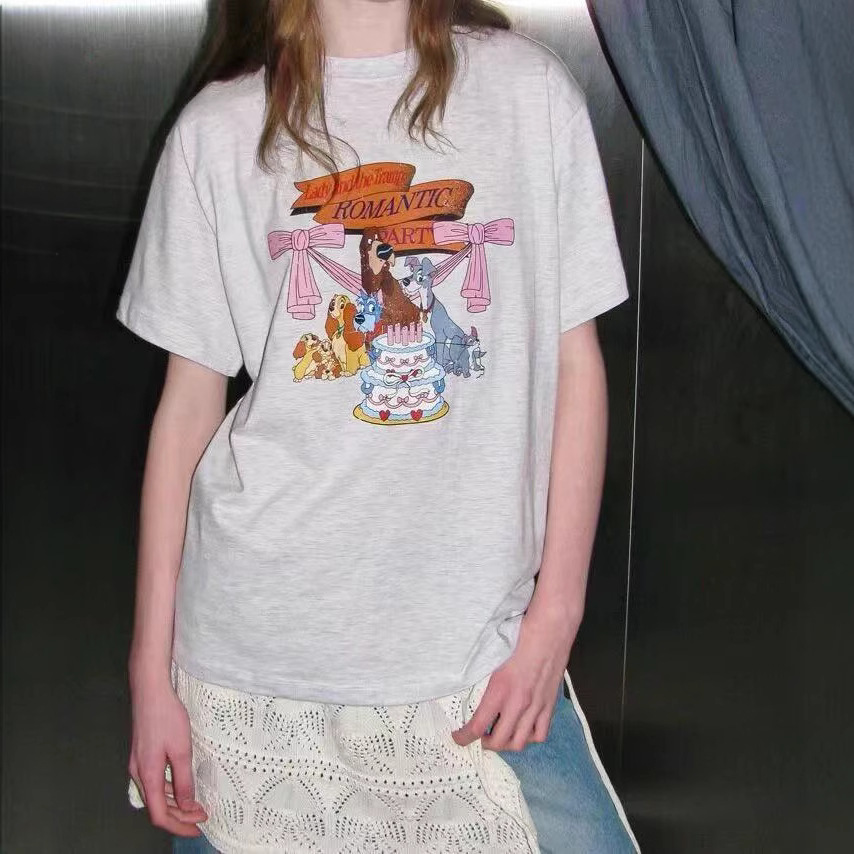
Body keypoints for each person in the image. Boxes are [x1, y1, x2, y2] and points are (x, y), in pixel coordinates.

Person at [118, 0, 640, 851]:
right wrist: (150, 673)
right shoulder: (217, 130)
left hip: (472, 660)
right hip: (251, 667)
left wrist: (557, 614)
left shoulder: (529, 94)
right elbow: (186, 414)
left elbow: (573, 362)